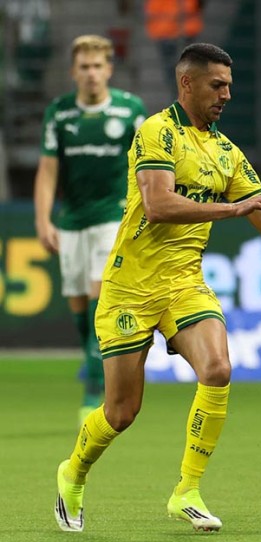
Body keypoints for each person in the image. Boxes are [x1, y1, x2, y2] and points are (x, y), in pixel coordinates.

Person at [53, 43, 261, 533]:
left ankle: (186, 490)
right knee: (122, 412)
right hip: (129, 287)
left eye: (229, 85)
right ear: (187, 83)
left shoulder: (227, 152)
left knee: (218, 368)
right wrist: (231, 209)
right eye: (217, 85)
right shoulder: (156, 131)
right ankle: (73, 472)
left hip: (184, 284)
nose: (227, 94)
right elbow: (158, 205)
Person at [33, 34, 147, 426]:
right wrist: (43, 219)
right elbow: (48, 170)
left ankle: (94, 391)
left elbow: (147, 164)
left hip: (114, 217)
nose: (92, 74)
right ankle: (91, 361)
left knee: (101, 296)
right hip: (72, 220)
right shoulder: (59, 113)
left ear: (109, 69)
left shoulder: (131, 110)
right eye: (84, 67)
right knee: (81, 308)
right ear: (73, 72)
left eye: (98, 66)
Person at [145, 0, 203, 94]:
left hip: (172, 29)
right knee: (177, 70)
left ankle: (181, 94)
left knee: (176, 71)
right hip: (170, 29)